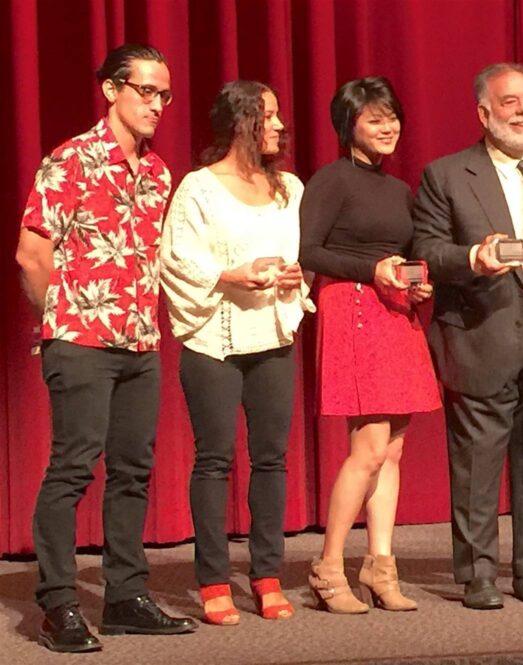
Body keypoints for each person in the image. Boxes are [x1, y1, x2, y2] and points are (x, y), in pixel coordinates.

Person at [14, 43, 196, 652]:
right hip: (80, 340)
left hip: (141, 342)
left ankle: (125, 596)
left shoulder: (157, 172)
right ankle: (59, 604)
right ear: (111, 89)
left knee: (133, 470)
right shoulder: (70, 161)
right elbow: (31, 254)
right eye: (145, 90)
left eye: (163, 93)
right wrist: (64, 322)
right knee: (71, 469)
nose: (156, 104)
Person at [411, 63, 523, 610]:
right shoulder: (447, 174)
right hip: (484, 325)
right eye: (509, 102)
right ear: (484, 114)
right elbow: (427, 251)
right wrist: (472, 257)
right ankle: (478, 573)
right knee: (477, 461)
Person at [161, 80, 311, 625]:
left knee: (271, 459)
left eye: (277, 115)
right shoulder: (199, 188)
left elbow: (296, 256)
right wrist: (230, 274)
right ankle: (213, 579)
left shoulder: (290, 187)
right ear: (238, 123)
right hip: (213, 338)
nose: (277, 125)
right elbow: (174, 260)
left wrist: (294, 277)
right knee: (215, 459)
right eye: (266, 116)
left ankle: (268, 574)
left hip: (272, 334)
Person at [300, 77, 439, 614]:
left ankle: (380, 566)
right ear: (349, 126)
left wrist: (415, 282)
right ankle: (328, 567)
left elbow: (398, 254)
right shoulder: (332, 180)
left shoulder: (399, 189)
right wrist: (370, 270)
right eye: (374, 119)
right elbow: (308, 250)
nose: (388, 128)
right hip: (353, 309)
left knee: (394, 448)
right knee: (368, 449)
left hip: (394, 309)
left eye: (392, 117)